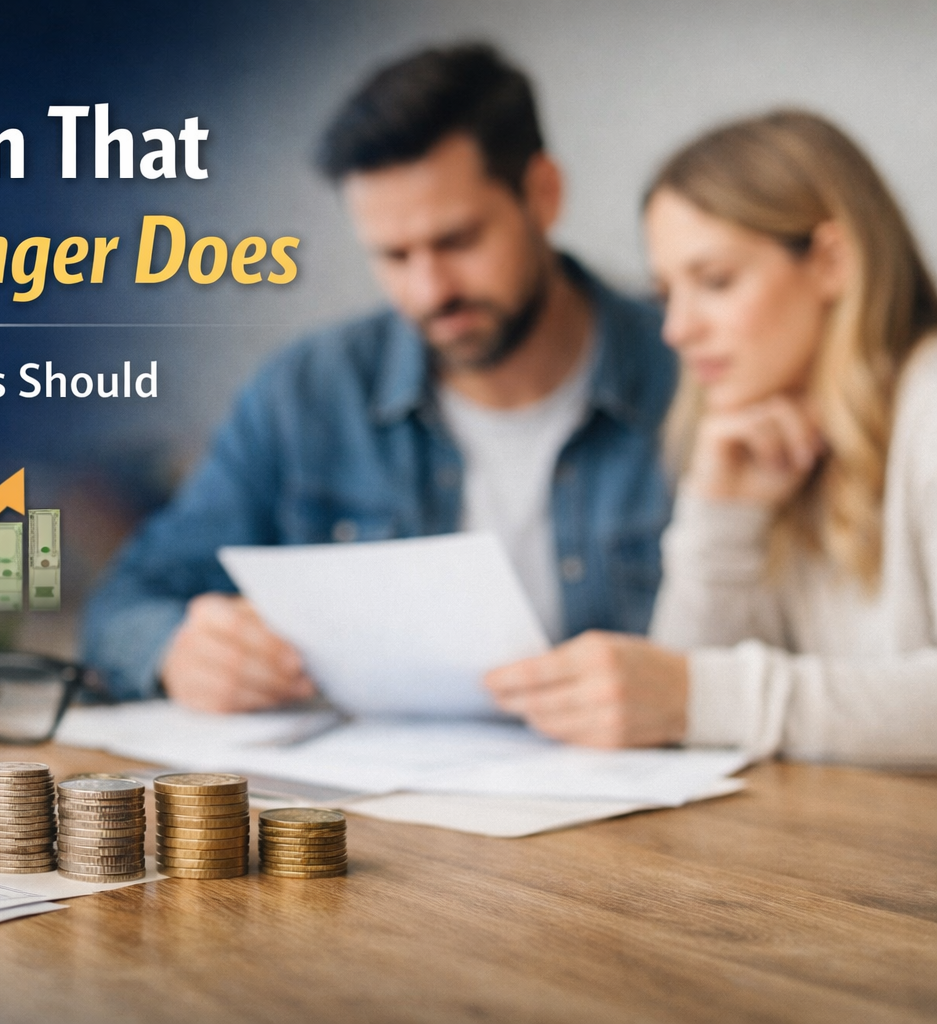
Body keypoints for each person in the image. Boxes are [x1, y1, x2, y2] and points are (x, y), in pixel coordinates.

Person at [81, 43, 676, 709]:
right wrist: (174, 650)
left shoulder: (692, 374)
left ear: (542, 194)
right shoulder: (306, 393)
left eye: (458, 241)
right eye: (394, 256)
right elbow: (123, 604)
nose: (430, 290)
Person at [485, 110, 937, 764]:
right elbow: (679, 727)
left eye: (716, 282)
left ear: (832, 262)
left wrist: (703, 696)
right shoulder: (770, 437)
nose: (676, 330)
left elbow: (689, 700)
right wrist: (721, 516)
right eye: (666, 293)